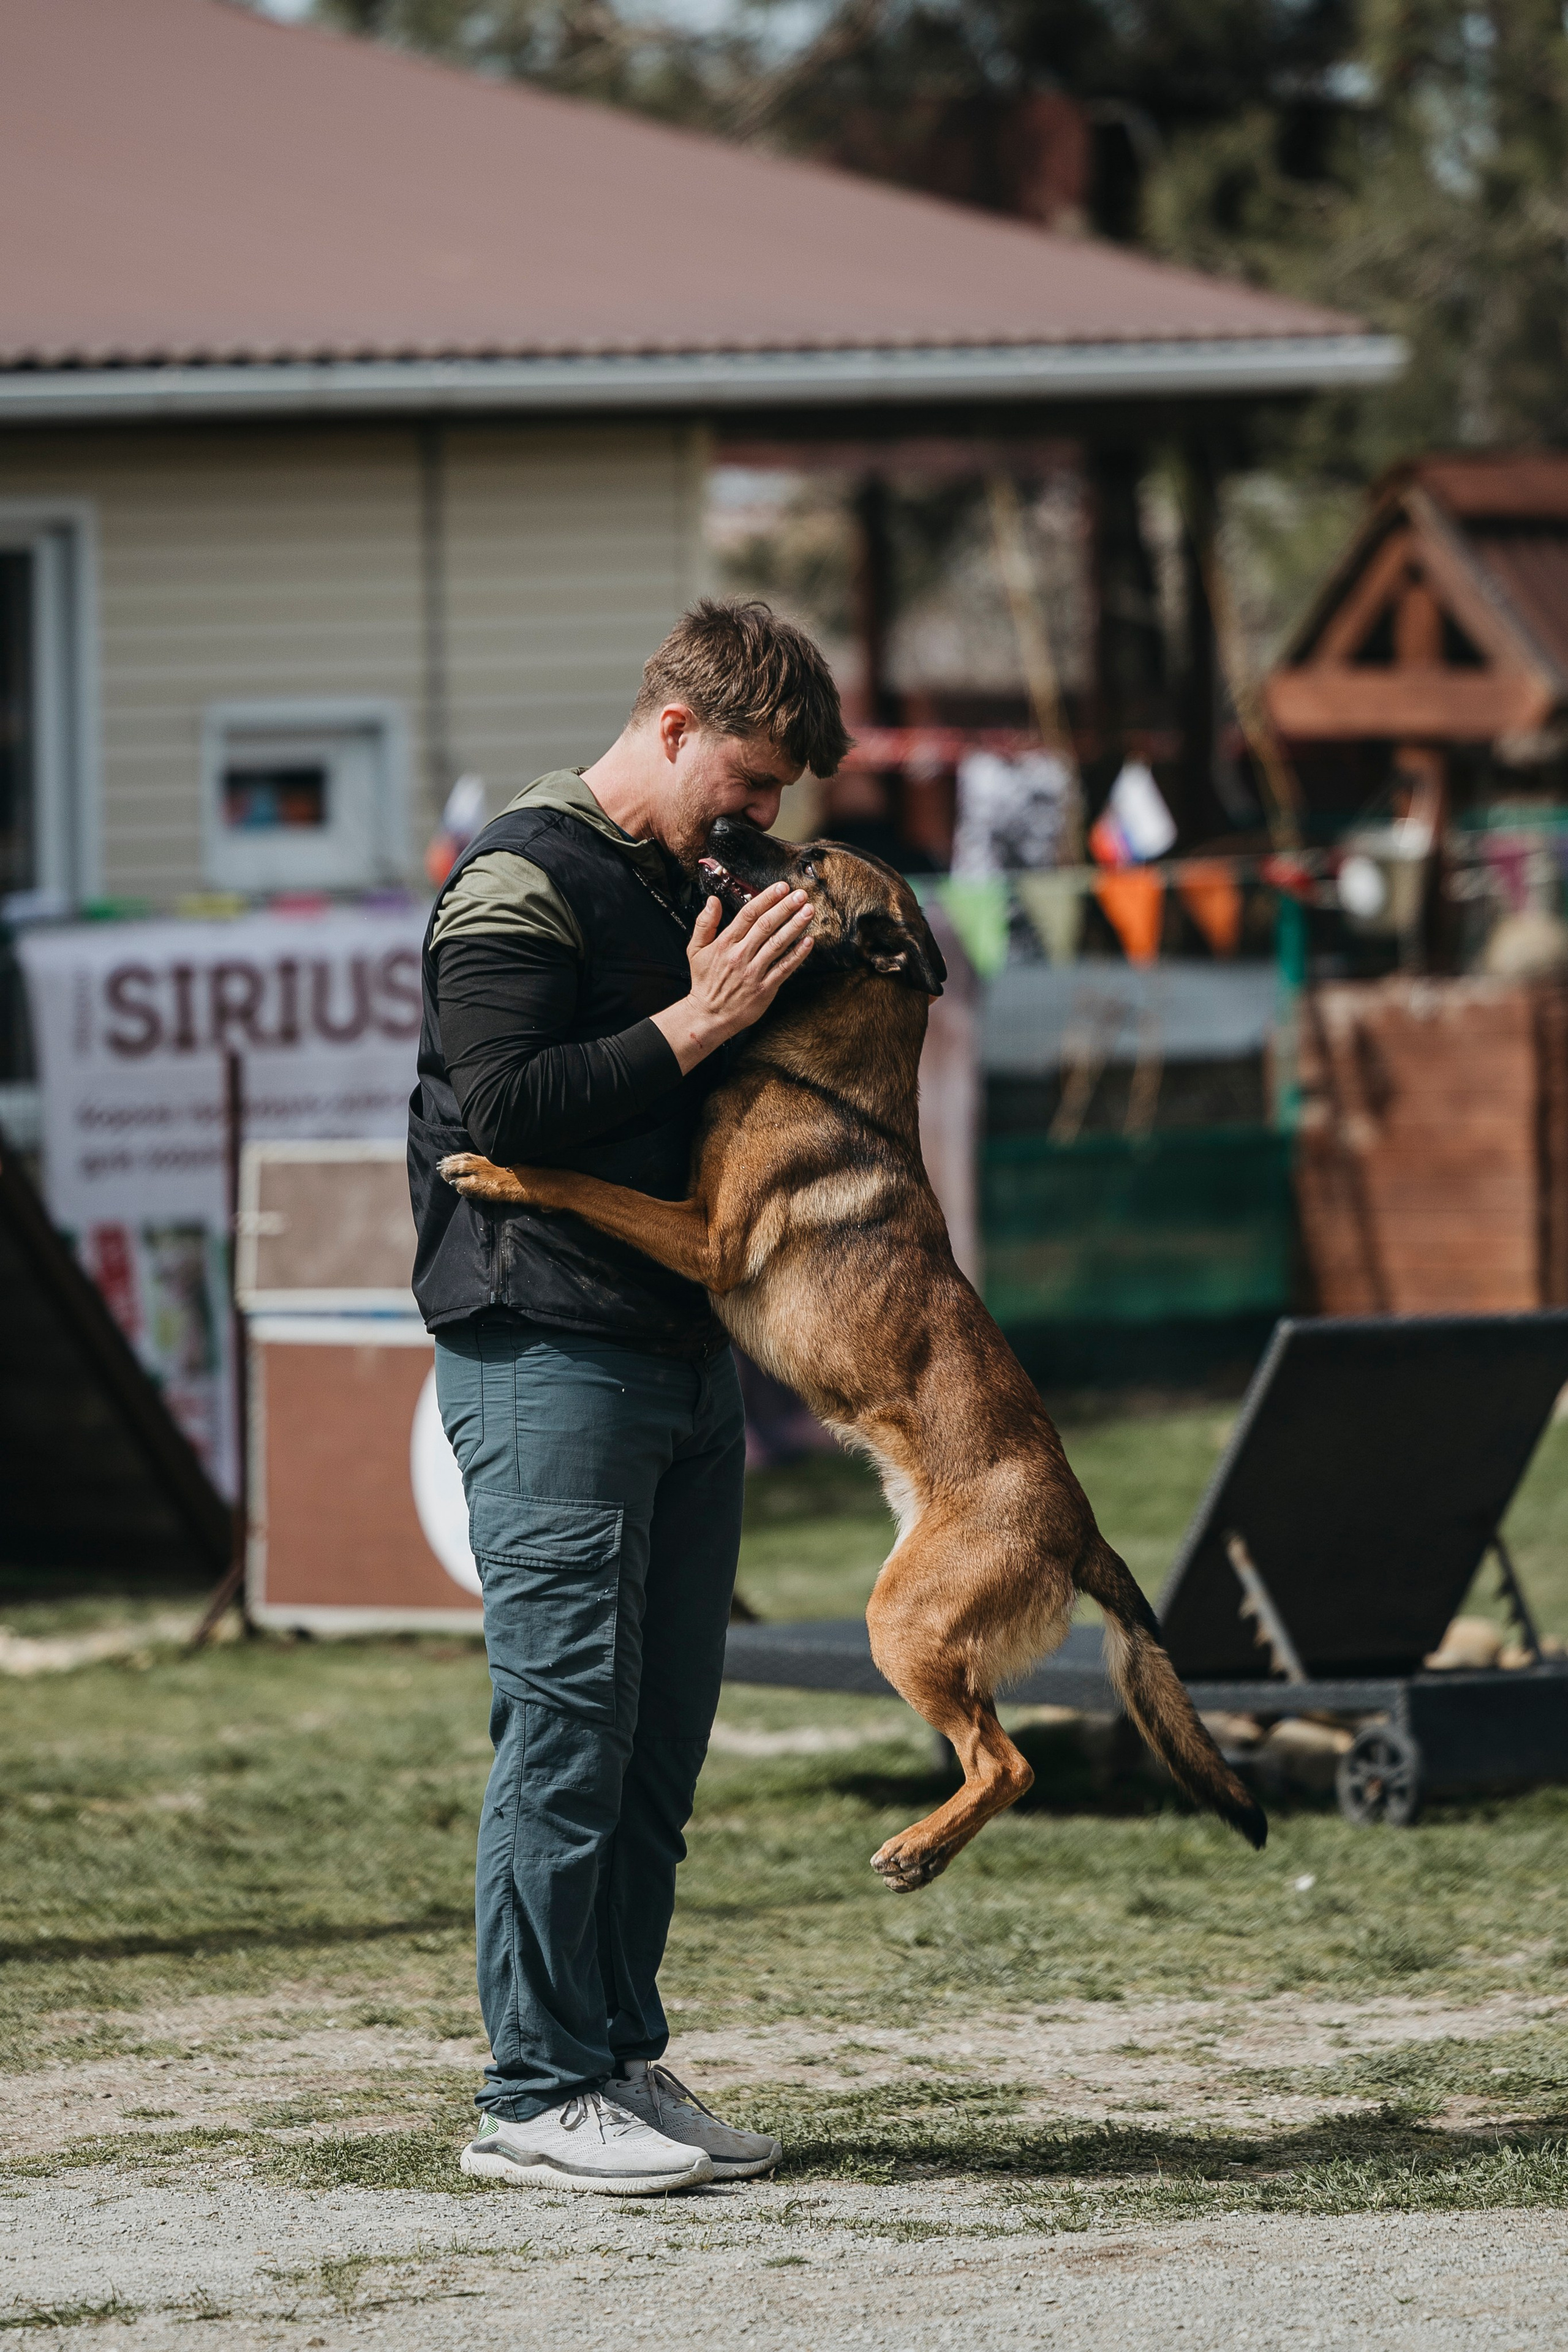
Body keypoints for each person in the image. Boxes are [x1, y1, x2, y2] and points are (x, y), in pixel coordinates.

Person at [407, 598, 851, 2196]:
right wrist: (702, 1018)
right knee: (569, 1728)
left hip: (679, 1348)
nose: (765, 813)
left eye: (784, 791)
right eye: (750, 776)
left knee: (659, 1745)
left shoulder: (688, 882)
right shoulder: (522, 874)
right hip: (545, 1344)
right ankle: (532, 2094)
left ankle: (614, 2060)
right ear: (672, 726)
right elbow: (503, 1102)